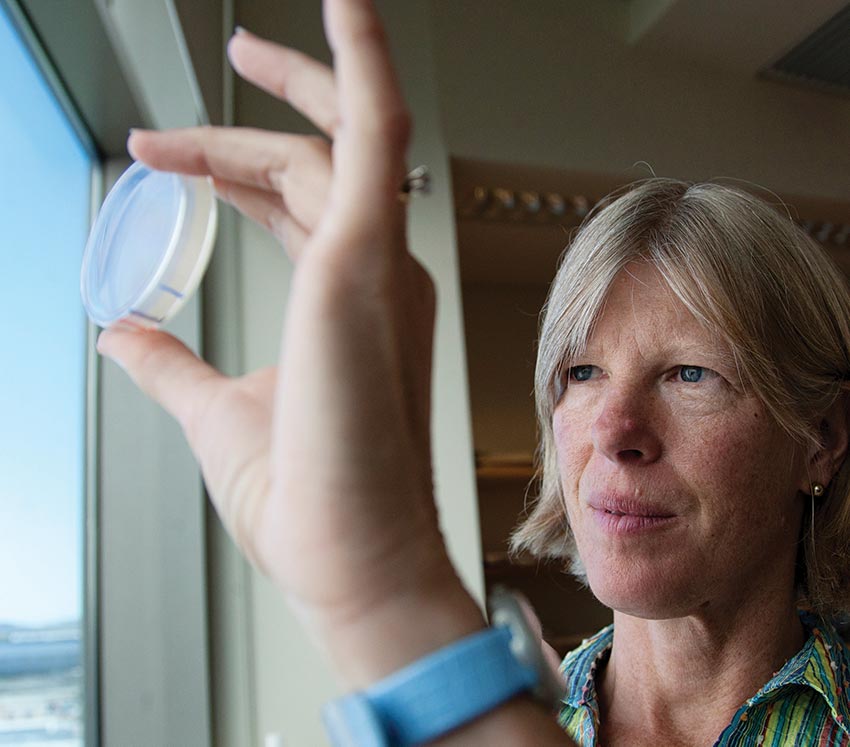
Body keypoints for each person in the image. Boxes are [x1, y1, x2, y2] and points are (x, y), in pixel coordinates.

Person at [96, 1, 850, 744]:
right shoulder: (520, 711)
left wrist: (389, 597)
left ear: (819, 437)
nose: (615, 431)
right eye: (582, 372)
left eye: (691, 374)